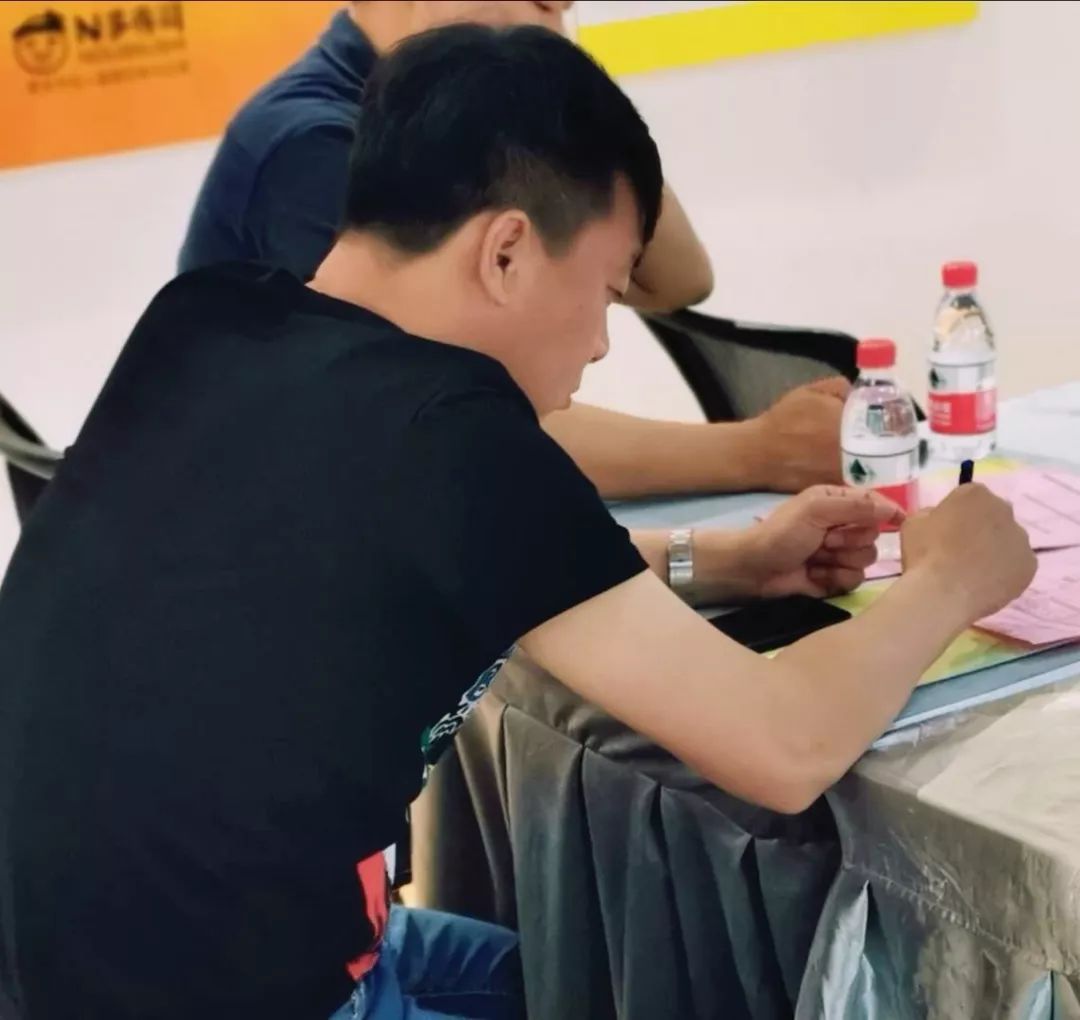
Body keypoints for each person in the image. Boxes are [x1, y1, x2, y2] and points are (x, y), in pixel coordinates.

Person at [0, 24, 1035, 1020]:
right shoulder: (456, 435)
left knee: (633, 981)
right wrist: (953, 576)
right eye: (607, 292)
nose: (598, 344)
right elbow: (786, 744)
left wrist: (729, 562)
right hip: (256, 992)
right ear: (505, 252)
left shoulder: (205, 320)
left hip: (85, 966)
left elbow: (474, 575)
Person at [178, 0, 849, 499]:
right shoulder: (314, 145)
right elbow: (446, 422)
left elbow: (676, 279)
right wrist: (755, 452)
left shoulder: (452, 108)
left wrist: (558, 81)